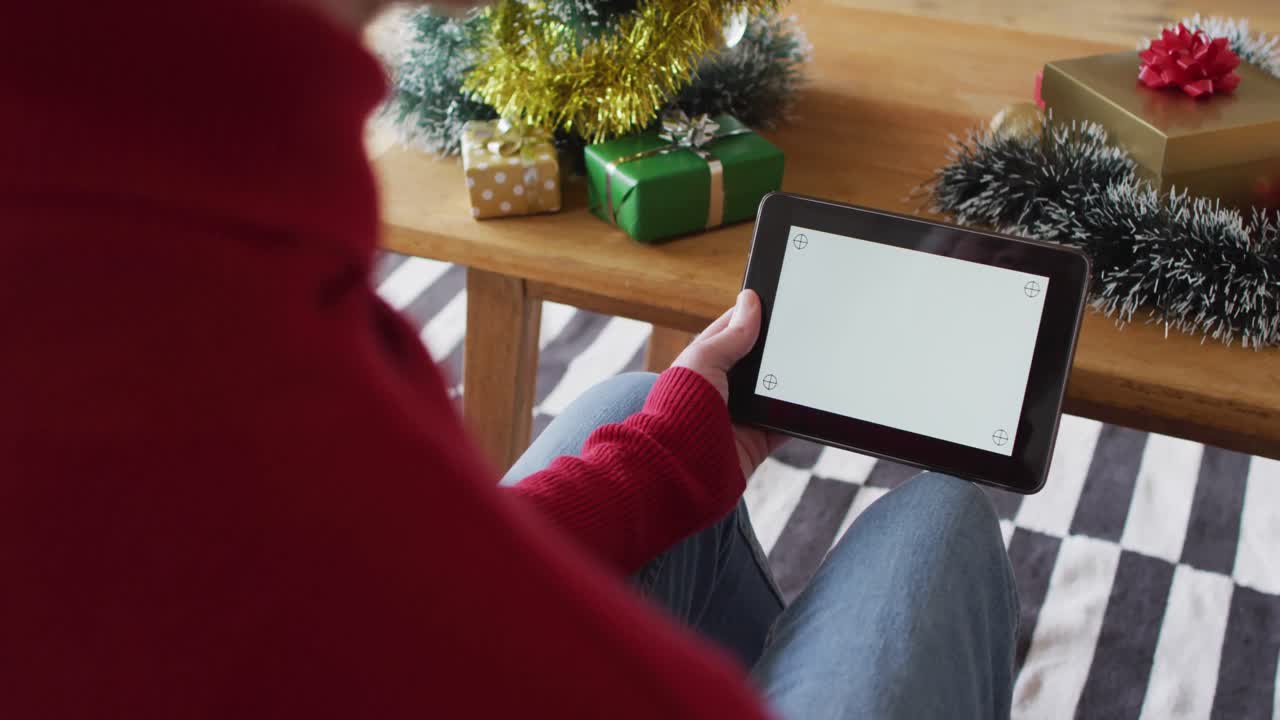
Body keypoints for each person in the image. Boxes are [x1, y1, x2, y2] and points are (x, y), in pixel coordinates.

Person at [0, 0, 1018, 717]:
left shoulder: (137, 232)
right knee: (939, 527)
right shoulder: (239, 421)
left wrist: (665, 459)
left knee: (639, 403)